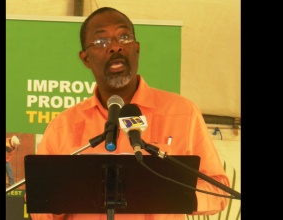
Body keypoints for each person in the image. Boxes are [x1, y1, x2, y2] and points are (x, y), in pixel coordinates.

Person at [29, 7, 230, 220]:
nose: (116, 47)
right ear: (85, 59)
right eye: (101, 42)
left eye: (124, 37)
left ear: (136, 48)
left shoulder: (182, 113)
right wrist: (67, 196)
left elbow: (219, 190)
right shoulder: (62, 126)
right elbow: (38, 207)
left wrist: (174, 193)